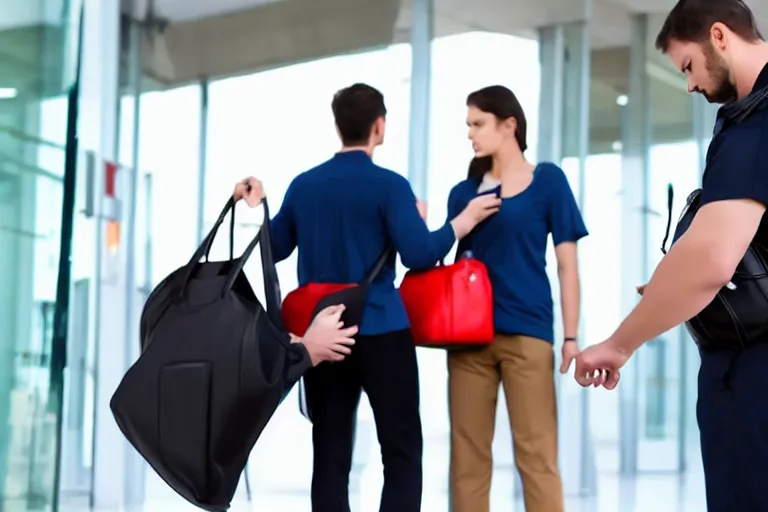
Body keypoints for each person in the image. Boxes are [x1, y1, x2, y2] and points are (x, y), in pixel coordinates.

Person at [233, 82, 500, 512]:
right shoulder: (390, 186)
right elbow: (419, 254)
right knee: (400, 452)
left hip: (323, 335)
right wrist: (459, 223)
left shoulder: (305, 185)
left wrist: (260, 204)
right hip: (382, 329)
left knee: (331, 454)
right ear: (379, 127)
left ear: (338, 126)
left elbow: (275, 247)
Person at [573, 1, 768, 510]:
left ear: (719, 37)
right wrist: (668, 287)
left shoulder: (756, 121)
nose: (690, 85)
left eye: (688, 66)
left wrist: (619, 344)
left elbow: (711, 260)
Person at [445, 85, 588, 512]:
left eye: (477, 124)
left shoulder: (549, 181)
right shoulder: (463, 193)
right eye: (468, 125)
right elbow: (451, 270)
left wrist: (571, 337)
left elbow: (567, 266)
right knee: (468, 463)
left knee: (537, 457)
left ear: (509, 125)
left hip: (528, 336)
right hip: (467, 342)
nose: (470, 133)